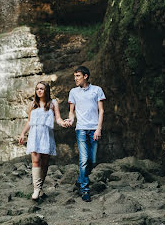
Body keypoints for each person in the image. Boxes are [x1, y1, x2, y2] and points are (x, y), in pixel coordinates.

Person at [19, 81, 66, 200]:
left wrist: (63, 123)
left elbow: (58, 118)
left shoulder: (53, 103)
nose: (39, 91)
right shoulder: (32, 104)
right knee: (36, 161)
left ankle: (40, 188)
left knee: (44, 163)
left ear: (46, 91)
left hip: (46, 135)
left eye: (42, 89)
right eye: (37, 89)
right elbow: (29, 121)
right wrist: (23, 133)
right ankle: (36, 190)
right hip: (34, 134)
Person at [65, 66, 105, 202]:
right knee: (83, 160)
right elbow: (72, 111)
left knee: (92, 161)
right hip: (81, 129)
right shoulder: (73, 92)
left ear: (85, 76)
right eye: (75, 76)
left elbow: (101, 111)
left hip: (94, 128)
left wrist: (99, 128)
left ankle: (80, 179)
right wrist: (70, 120)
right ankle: (85, 190)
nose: (75, 79)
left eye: (78, 76)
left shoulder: (97, 90)